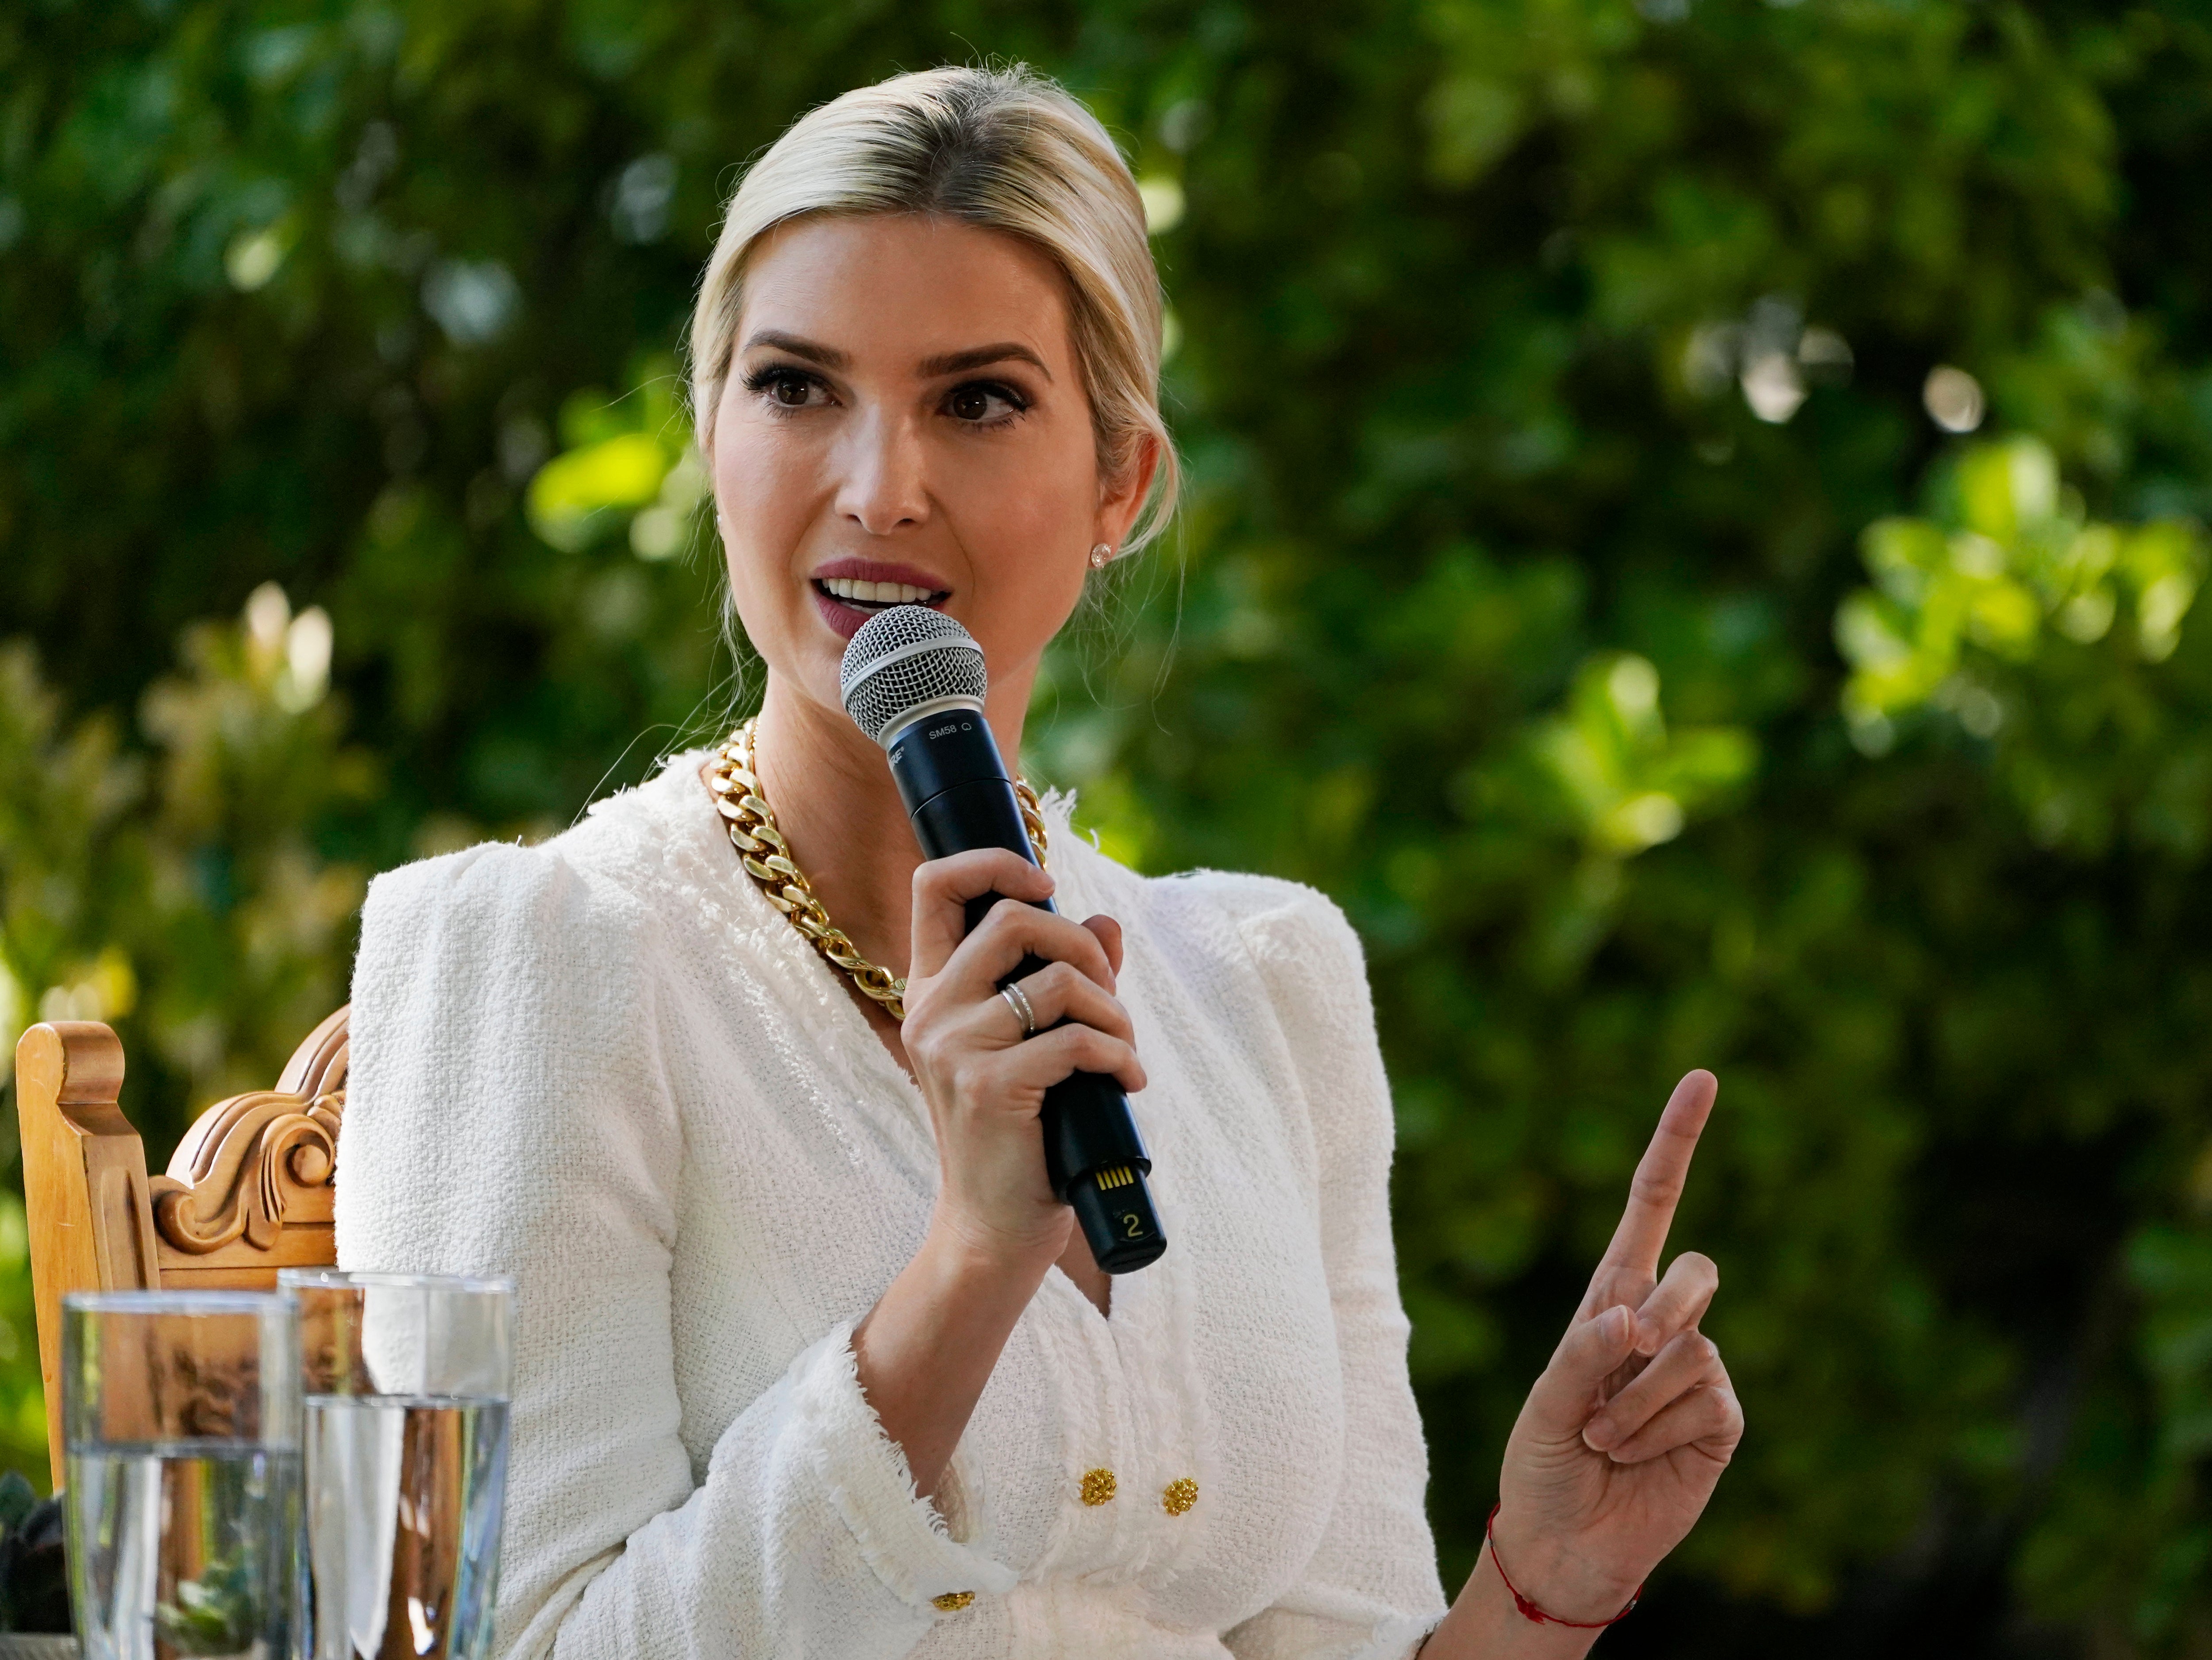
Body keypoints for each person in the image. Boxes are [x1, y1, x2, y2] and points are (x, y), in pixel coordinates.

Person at [336, 62, 1743, 1660]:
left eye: (979, 400)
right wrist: (966, 1271)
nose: (879, 489)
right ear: (708, 435)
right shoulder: (546, 957)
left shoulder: (1263, 992)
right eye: (796, 387)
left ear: (1121, 482)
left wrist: (1546, 1584)